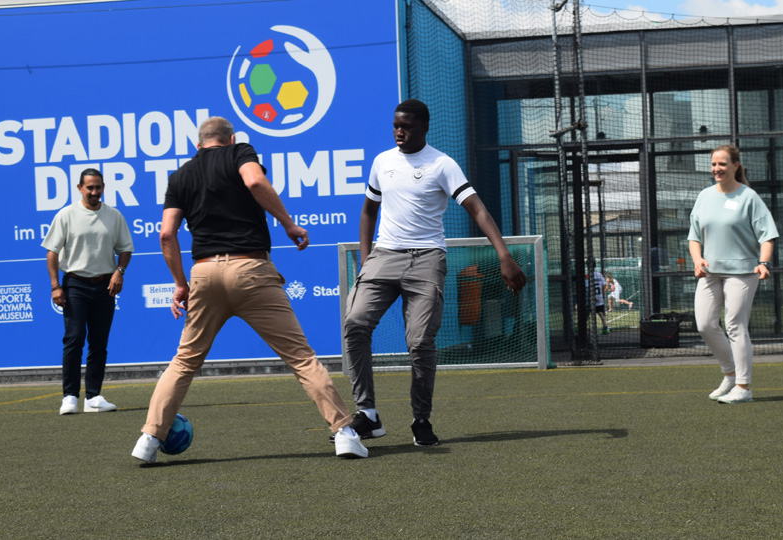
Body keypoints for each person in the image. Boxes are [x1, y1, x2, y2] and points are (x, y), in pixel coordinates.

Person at [131, 117, 367, 463]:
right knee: (301, 358)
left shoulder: (180, 175)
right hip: (251, 270)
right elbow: (255, 180)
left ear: (198, 145)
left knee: (183, 361)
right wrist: (289, 224)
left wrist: (180, 284)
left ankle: (149, 439)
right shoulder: (239, 152)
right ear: (230, 140)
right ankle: (344, 434)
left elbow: (166, 235)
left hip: (204, 274)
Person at [343, 99, 527, 447]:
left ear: (424, 127)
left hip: (427, 258)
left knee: (419, 342)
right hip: (384, 256)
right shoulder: (382, 162)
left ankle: (421, 419)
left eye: (407, 126)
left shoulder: (442, 164)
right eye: (396, 125)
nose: (400, 131)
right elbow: (368, 211)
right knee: (355, 322)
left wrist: (503, 254)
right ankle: (367, 414)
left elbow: (477, 208)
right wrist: (366, 261)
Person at [688, 145, 778, 404]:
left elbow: (767, 236)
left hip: (743, 272)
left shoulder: (748, 197)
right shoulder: (704, 196)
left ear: (735, 166)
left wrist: (763, 262)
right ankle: (730, 373)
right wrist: (698, 260)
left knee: (735, 326)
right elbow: (694, 237)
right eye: (714, 164)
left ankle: (743, 386)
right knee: (704, 324)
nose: (717, 168)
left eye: (722, 164)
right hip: (710, 273)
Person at [42, 168, 133, 415]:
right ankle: (70, 396)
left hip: (105, 287)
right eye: (90, 187)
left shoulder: (114, 216)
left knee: (99, 343)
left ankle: (93, 397)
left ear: (103, 187)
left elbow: (125, 249)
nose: (94, 192)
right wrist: (55, 286)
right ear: (80, 188)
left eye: (98, 187)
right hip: (75, 285)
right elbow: (52, 252)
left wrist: (119, 272)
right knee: (73, 339)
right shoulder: (67, 215)